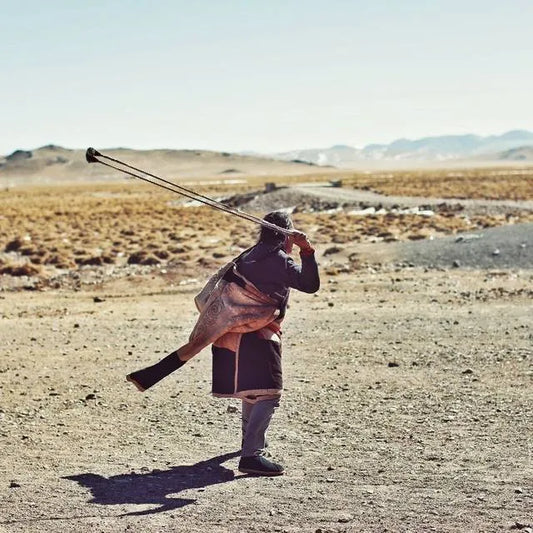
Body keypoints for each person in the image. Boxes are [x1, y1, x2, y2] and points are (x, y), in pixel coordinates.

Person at [127, 210, 320, 477]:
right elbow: (310, 284)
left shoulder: (249, 255)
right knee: (269, 394)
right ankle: (252, 455)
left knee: (254, 391)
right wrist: (307, 251)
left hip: (232, 334)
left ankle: (250, 445)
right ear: (286, 235)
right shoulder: (277, 260)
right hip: (258, 335)